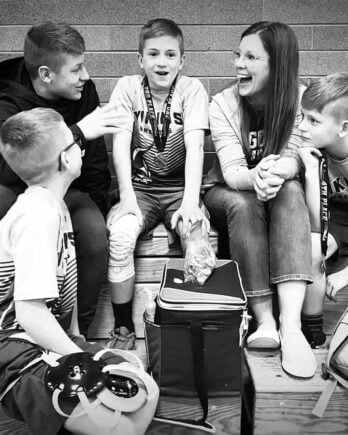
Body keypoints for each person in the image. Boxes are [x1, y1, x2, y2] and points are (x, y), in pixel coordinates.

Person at [0, 108, 158, 435]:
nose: (81, 146)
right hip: (12, 349)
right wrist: (83, 359)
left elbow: (62, 296)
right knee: (122, 425)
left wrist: (79, 341)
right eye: (74, 143)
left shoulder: (54, 205)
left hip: (42, 338)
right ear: (65, 161)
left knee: (138, 380)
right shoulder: (37, 217)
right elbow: (30, 313)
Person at [204, 21, 316, 378]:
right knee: (245, 201)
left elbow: (298, 154)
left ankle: (291, 324)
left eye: (251, 57)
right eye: (238, 54)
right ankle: (263, 320)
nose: (239, 63)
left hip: (280, 188)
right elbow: (234, 170)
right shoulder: (222, 103)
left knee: (292, 189)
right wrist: (256, 178)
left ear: (278, 64)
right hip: (228, 192)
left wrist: (280, 172)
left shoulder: (301, 99)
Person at [0, 22, 117, 337]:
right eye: (77, 69)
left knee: (94, 235)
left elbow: (92, 161)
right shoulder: (7, 97)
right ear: (46, 74)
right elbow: (8, 168)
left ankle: (77, 336)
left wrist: (99, 205)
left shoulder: (83, 91)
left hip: (67, 185)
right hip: (16, 187)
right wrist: (78, 133)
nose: (87, 76)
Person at [106, 18, 209, 349]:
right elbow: (120, 143)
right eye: (153, 54)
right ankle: (123, 328)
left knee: (197, 243)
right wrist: (126, 197)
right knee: (120, 239)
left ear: (182, 60)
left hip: (181, 190)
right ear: (140, 60)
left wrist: (191, 202)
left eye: (169, 54)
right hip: (141, 189)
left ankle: (196, 327)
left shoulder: (192, 89)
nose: (161, 62)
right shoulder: (126, 88)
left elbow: (195, 146)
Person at [298, 73, 348, 348]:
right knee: (314, 248)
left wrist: (346, 273)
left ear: (343, 128)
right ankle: (312, 330)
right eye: (302, 117)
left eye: (313, 121)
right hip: (339, 222)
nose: (302, 127)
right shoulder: (319, 152)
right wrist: (310, 173)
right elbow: (318, 225)